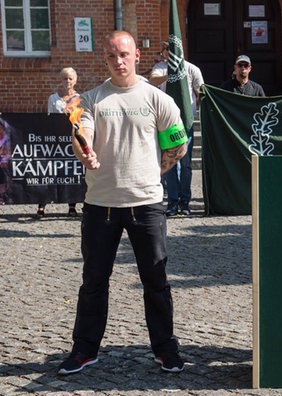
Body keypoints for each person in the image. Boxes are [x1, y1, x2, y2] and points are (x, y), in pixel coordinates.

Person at [58, 30, 187, 375]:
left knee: (156, 282)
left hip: (146, 205)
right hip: (101, 205)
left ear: (136, 57)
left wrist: (153, 173)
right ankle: (84, 350)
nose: (119, 61)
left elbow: (178, 144)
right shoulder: (91, 99)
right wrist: (85, 150)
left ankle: (165, 348)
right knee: (93, 282)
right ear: (105, 59)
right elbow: (81, 134)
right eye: (112, 56)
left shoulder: (156, 98)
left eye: (124, 55)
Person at [149, 41, 205, 216]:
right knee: (170, 162)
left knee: (186, 163)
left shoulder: (191, 68)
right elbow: (152, 81)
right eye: (165, 49)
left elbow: (201, 90)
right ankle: (172, 202)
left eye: (169, 49)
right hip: (167, 122)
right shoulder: (161, 67)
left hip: (186, 122)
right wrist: (170, 75)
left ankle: (185, 202)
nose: (165, 52)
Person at [39, 67, 80, 218]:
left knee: (70, 171)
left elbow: (80, 119)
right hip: (55, 140)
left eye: (70, 78)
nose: (67, 81)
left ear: (75, 80)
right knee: (48, 171)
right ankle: (41, 205)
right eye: (64, 78)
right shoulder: (53, 98)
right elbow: (49, 118)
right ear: (61, 81)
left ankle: (72, 206)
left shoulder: (79, 98)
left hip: (70, 139)